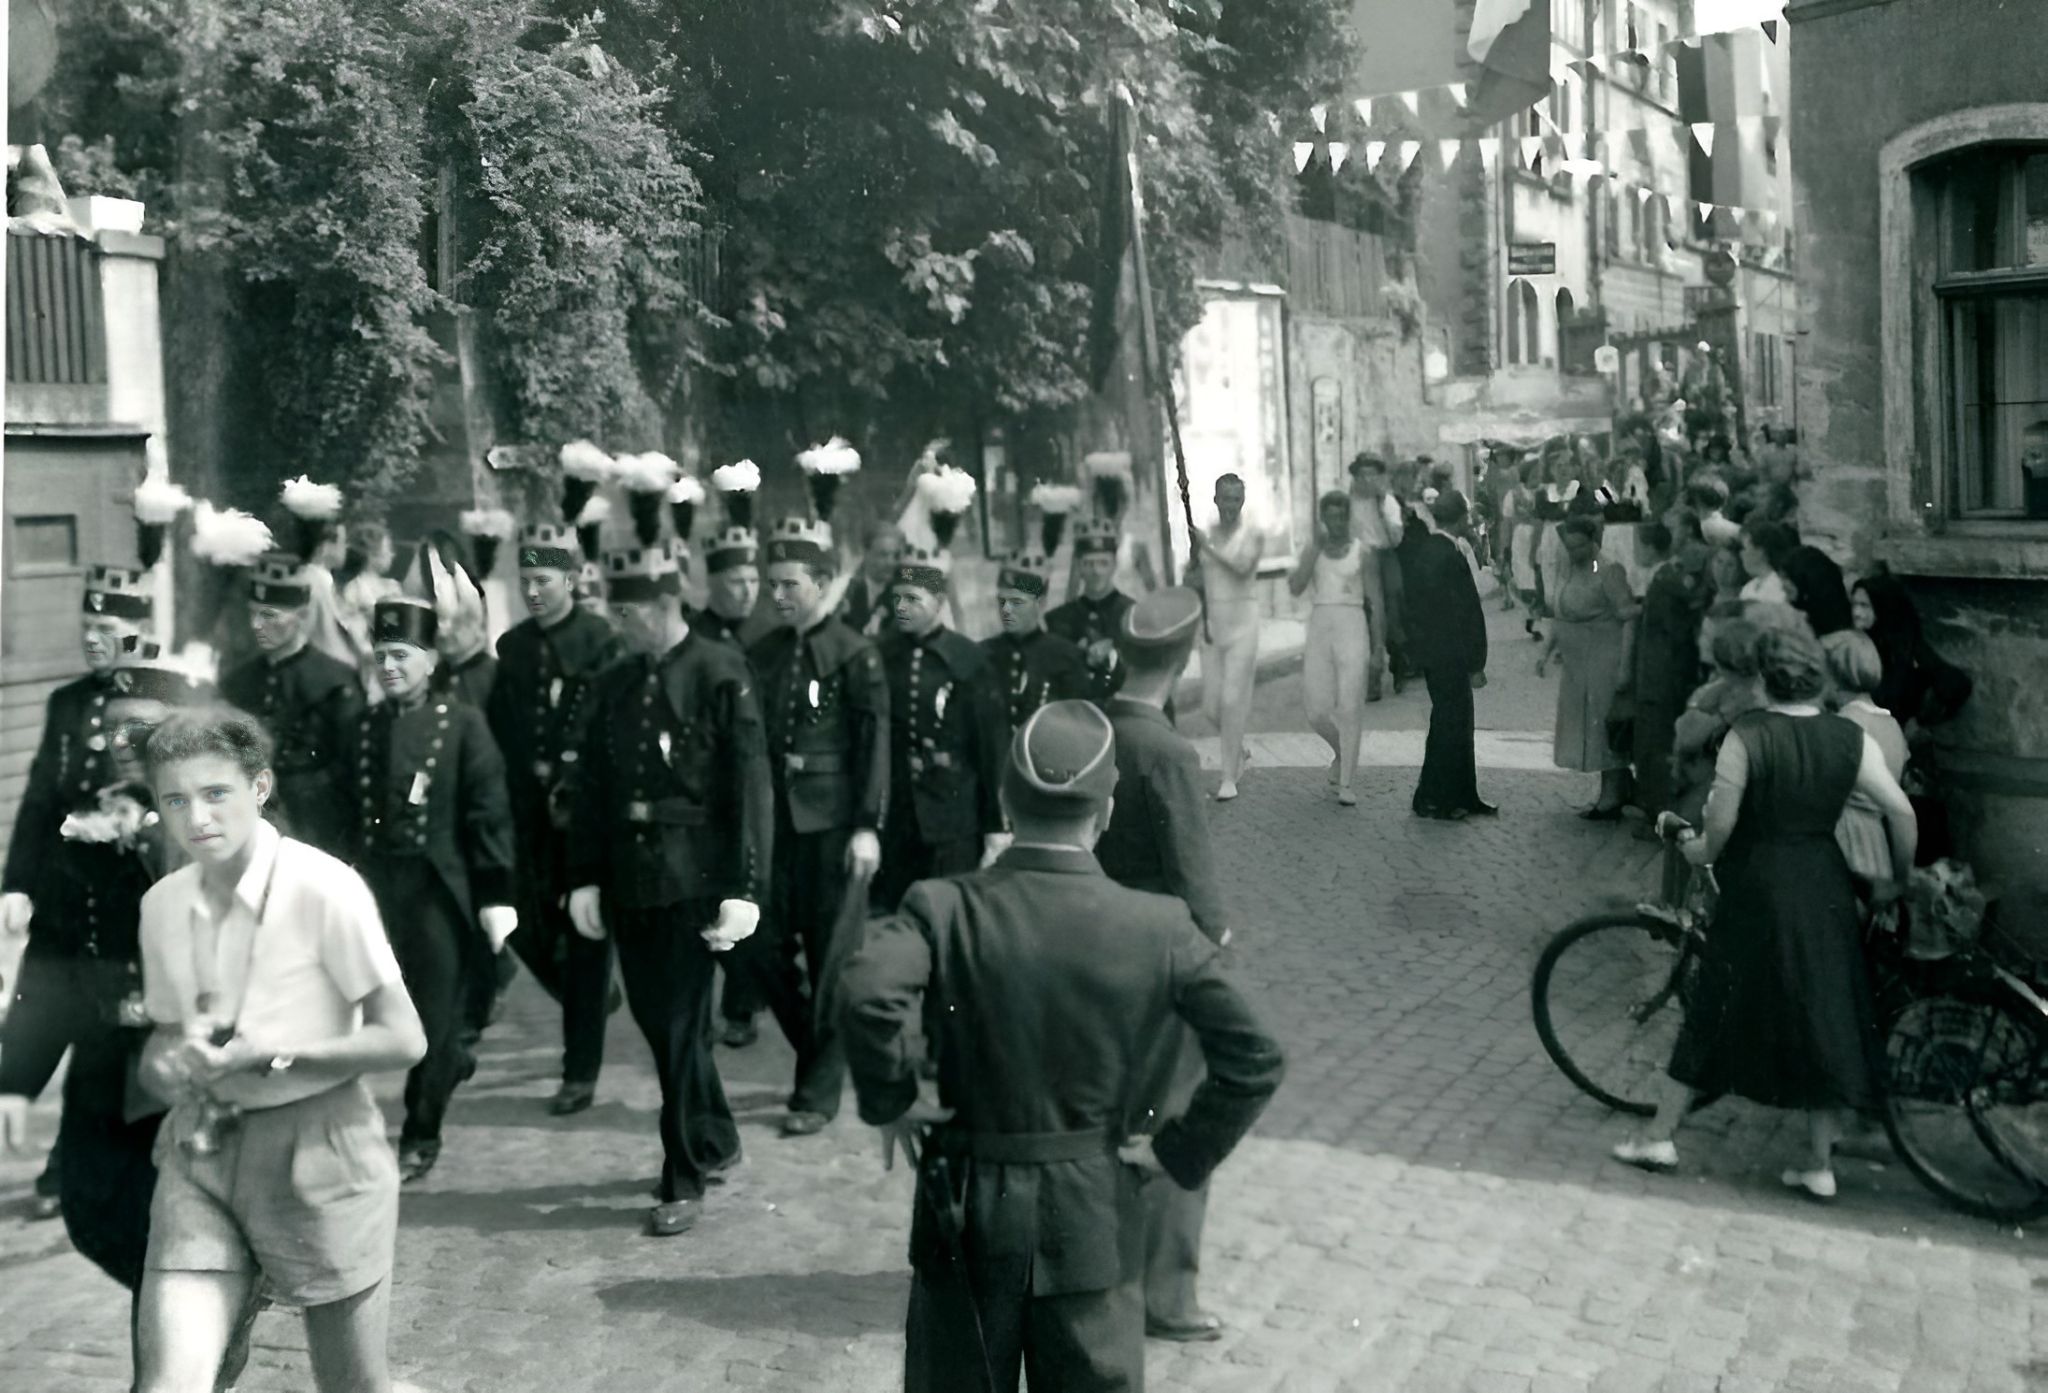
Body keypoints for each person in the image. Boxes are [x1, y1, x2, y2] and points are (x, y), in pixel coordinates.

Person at [839, 699, 1285, 1392]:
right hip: (1095, 1209)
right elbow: (1256, 1055)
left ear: (1005, 802)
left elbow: (867, 989)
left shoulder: (942, 905)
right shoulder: (1160, 924)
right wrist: (1178, 1151)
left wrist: (894, 1094)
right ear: (1104, 812)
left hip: (966, 1206)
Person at [134, 707, 427, 1392]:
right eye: (175, 800)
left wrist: (278, 1053)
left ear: (260, 786)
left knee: (355, 1387)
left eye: (215, 793)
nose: (196, 818)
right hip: (203, 1156)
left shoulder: (324, 887)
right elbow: (163, 1041)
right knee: (170, 1385)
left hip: (320, 1152)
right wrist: (167, 1063)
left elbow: (404, 1037)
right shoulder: (161, 906)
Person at [0, 643, 245, 1383]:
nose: (122, 742)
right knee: (88, 1209)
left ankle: (177, 1363)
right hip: (106, 1058)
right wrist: (16, 1078)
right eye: (112, 727)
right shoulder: (87, 824)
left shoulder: (218, 820)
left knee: (162, 1240)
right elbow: (53, 953)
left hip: (191, 1070)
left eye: (142, 727)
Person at [1612, 629, 1917, 1199]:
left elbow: (1721, 826)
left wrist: (1697, 850)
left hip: (1758, 885)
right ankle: (1819, 1164)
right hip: (1824, 883)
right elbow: (1901, 813)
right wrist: (1894, 881)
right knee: (1824, 1011)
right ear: (1818, 680)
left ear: (1765, 681)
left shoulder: (1747, 735)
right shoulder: (1850, 737)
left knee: (1711, 1007)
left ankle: (1660, 1136)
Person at [564, 545, 772, 1237]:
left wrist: (745, 888)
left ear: (663, 606)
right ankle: (715, 1136)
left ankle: (682, 1175)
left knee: (682, 1026)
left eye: (627, 612)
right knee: (660, 1024)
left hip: (696, 879)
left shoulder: (721, 671)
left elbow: (749, 788)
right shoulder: (615, 682)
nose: (618, 624)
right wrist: (585, 876)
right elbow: (593, 787)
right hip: (632, 877)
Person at [1091, 589, 1234, 1345]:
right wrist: (1218, 949)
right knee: (1175, 1119)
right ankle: (1168, 1297)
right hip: (1162, 956)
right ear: (1182, 662)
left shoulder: (1094, 729)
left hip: (1094, 945)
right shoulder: (1168, 752)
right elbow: (1197, 883)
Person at [1, 565, 159, 1218]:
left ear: (137, 631)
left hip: (132, 895)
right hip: (69, 891)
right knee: (56, 1014)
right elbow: (41, 798)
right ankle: (66, 1161)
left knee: (116, 1033)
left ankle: (84, 1162)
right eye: (86, 625)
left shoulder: (165, 693)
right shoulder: (64, 703)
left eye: (106, 627)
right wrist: (16, 884)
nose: (92, 638)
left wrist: (144, 819)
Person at [341, 599, 516, 1182]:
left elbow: (489, 812)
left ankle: (421, 1131)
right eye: (381, 656)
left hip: (437, 890)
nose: (390, 667)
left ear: (432, 660)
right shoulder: (363, 727)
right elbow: (345, 814)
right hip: (375, 889)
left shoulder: (462, 724)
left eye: (401, 655)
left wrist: (495, 893)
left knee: (435, 1017)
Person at [740, 516, 890, 1138]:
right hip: (777, 829)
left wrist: (867, 826)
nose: (777, 595)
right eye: (771, 584)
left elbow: (873, 745)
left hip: (834, 829)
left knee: (831, 960)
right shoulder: (763, 654)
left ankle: (816, 1091)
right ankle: (823, 1048)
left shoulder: (854, 654)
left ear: (824, 583)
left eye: (790, 584)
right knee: (757, 945)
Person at [483, 523, 627, 1116]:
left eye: (543, 580)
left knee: (584, 935)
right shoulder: (512, 647)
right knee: (520, 921)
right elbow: (498, 725)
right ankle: (585, 996)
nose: (533, 591)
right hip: (524, 811)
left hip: (582, 811)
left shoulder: (601, 640)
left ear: (572, 580)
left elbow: (606, 723)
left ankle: (579, 1072)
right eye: (525, 581)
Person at [871, 546, 1010, 911]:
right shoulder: (881, 656)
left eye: (912, 599)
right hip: (899, 818)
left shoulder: (969, 660)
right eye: (897, 598)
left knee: (951, 912)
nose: (901, 607)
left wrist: (996, 826)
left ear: (939, 601)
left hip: (954, 817)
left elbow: (991, 749)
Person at [219, 554, 366, 856]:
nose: (256, 625)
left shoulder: (335, 681)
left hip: (317, 825)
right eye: (252, 613)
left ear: (301, 615)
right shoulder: (237, 683)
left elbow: (353, 769)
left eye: (269, 615)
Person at [1537, 516, 1641, 819]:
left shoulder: (1608, 570)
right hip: (1578, 667)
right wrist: (1545, 652)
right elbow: (1561, 615)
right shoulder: (1571, 568)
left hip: (1603, 662)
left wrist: (1625, 668)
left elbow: (1628, 617)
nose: (1574, 553)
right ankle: (1618, 789)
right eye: (1569, 547)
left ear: (1593, 541)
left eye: (1579, 546)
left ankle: (1612, 795)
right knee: (1587, 728)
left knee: (1603, 730)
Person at [1406, 493, 1495, 822]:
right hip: (1451, 651)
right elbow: (1464, 612)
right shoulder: (1447, 554)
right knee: (1452, 724)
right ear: (1460, 517)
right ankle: (1442, 797)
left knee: (1449, 722)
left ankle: (1452, 794)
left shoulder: (1429, 550)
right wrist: (1475, 659)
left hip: (1437, 650)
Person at [1289, 491, 1369, 806]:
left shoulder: (1362, 551)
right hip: (1321, 624)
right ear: (1323, 519)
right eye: (1330, 517)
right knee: (1316, 709)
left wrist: (1378, 648)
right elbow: (1296, 587)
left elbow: (1376, 598)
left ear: (1348, 518)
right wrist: (1313, 550)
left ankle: (1346, 781)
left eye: (1341, 516)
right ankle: (1340, 750)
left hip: (1353, 623)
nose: (1336, 523)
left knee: (1350, 704)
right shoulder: (1314, 550)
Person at [1626, 524, 1708, 825]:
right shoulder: (1667, 578)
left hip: (1660, 676)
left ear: (1649, 547)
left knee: (1655, 745)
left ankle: (1658, 813)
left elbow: (1672, 633)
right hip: (1662, 675)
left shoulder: (1666, 581)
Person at [1192, 474, 1263, 801]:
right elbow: (1196, 579)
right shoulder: (1205, 535)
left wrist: (1206, 547)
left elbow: (1241, 568)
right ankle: (1238, 750)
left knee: (1232, 699)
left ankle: (1228, 777)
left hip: (1243, 624)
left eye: (1236, 499)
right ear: (1216, 499)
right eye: (1225, 498)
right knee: (1210, 708)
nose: (1230, 505)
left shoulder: (1253, 534)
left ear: (1242, 501)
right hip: (1212, 626)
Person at [1826, 633, 1911, 884]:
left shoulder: (1841, 725)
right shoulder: (1892, 725)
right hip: (1876, 844)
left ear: (1835, 674)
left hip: (1843, 840)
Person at [981, 552, 1091, 734]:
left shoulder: (1067, 657)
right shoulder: (983, 655)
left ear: (1040, 604)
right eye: (1002, 601)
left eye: (1016, 602)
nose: (1006, 611)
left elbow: (1078, 727)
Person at [1850, 571, 1974, 730]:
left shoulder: (1905, 647)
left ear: (1882, 608)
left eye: (1864, 606)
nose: (1856, 613)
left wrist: (1920, 722)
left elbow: (1957, 684)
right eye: (1854, 604)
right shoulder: (1855, 643)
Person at [1045, 518, 1137, 707]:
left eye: (1103, 563)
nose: (1096, 571)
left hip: (1123, 714)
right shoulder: (1058, 621)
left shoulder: (1134, 614)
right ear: (1078, 566)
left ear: (1114, 564)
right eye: (1088, 563)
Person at [1347, 455, 1409, 699]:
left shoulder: (1388, 502)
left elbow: (1396, 539)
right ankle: (1372, 675)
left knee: (1392, 607)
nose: (1367, 480)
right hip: (1357, 561)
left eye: (1372, 475)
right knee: (1366, 616)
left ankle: (1397, 659)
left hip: (1384, 556)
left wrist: (1382, 510)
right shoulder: (1348, 503)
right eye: (1362, 475)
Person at [840, 522, 904, 637]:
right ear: (866, 553)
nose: (891, 563)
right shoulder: (845, 590)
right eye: (883, 555)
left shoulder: (901, 596)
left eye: (895, 556)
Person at [1737, 518, 1798, 606]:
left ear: (1761, 551)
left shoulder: (1781, 586)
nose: (1741, 554)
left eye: (1744, 548)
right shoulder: (1747, 588)